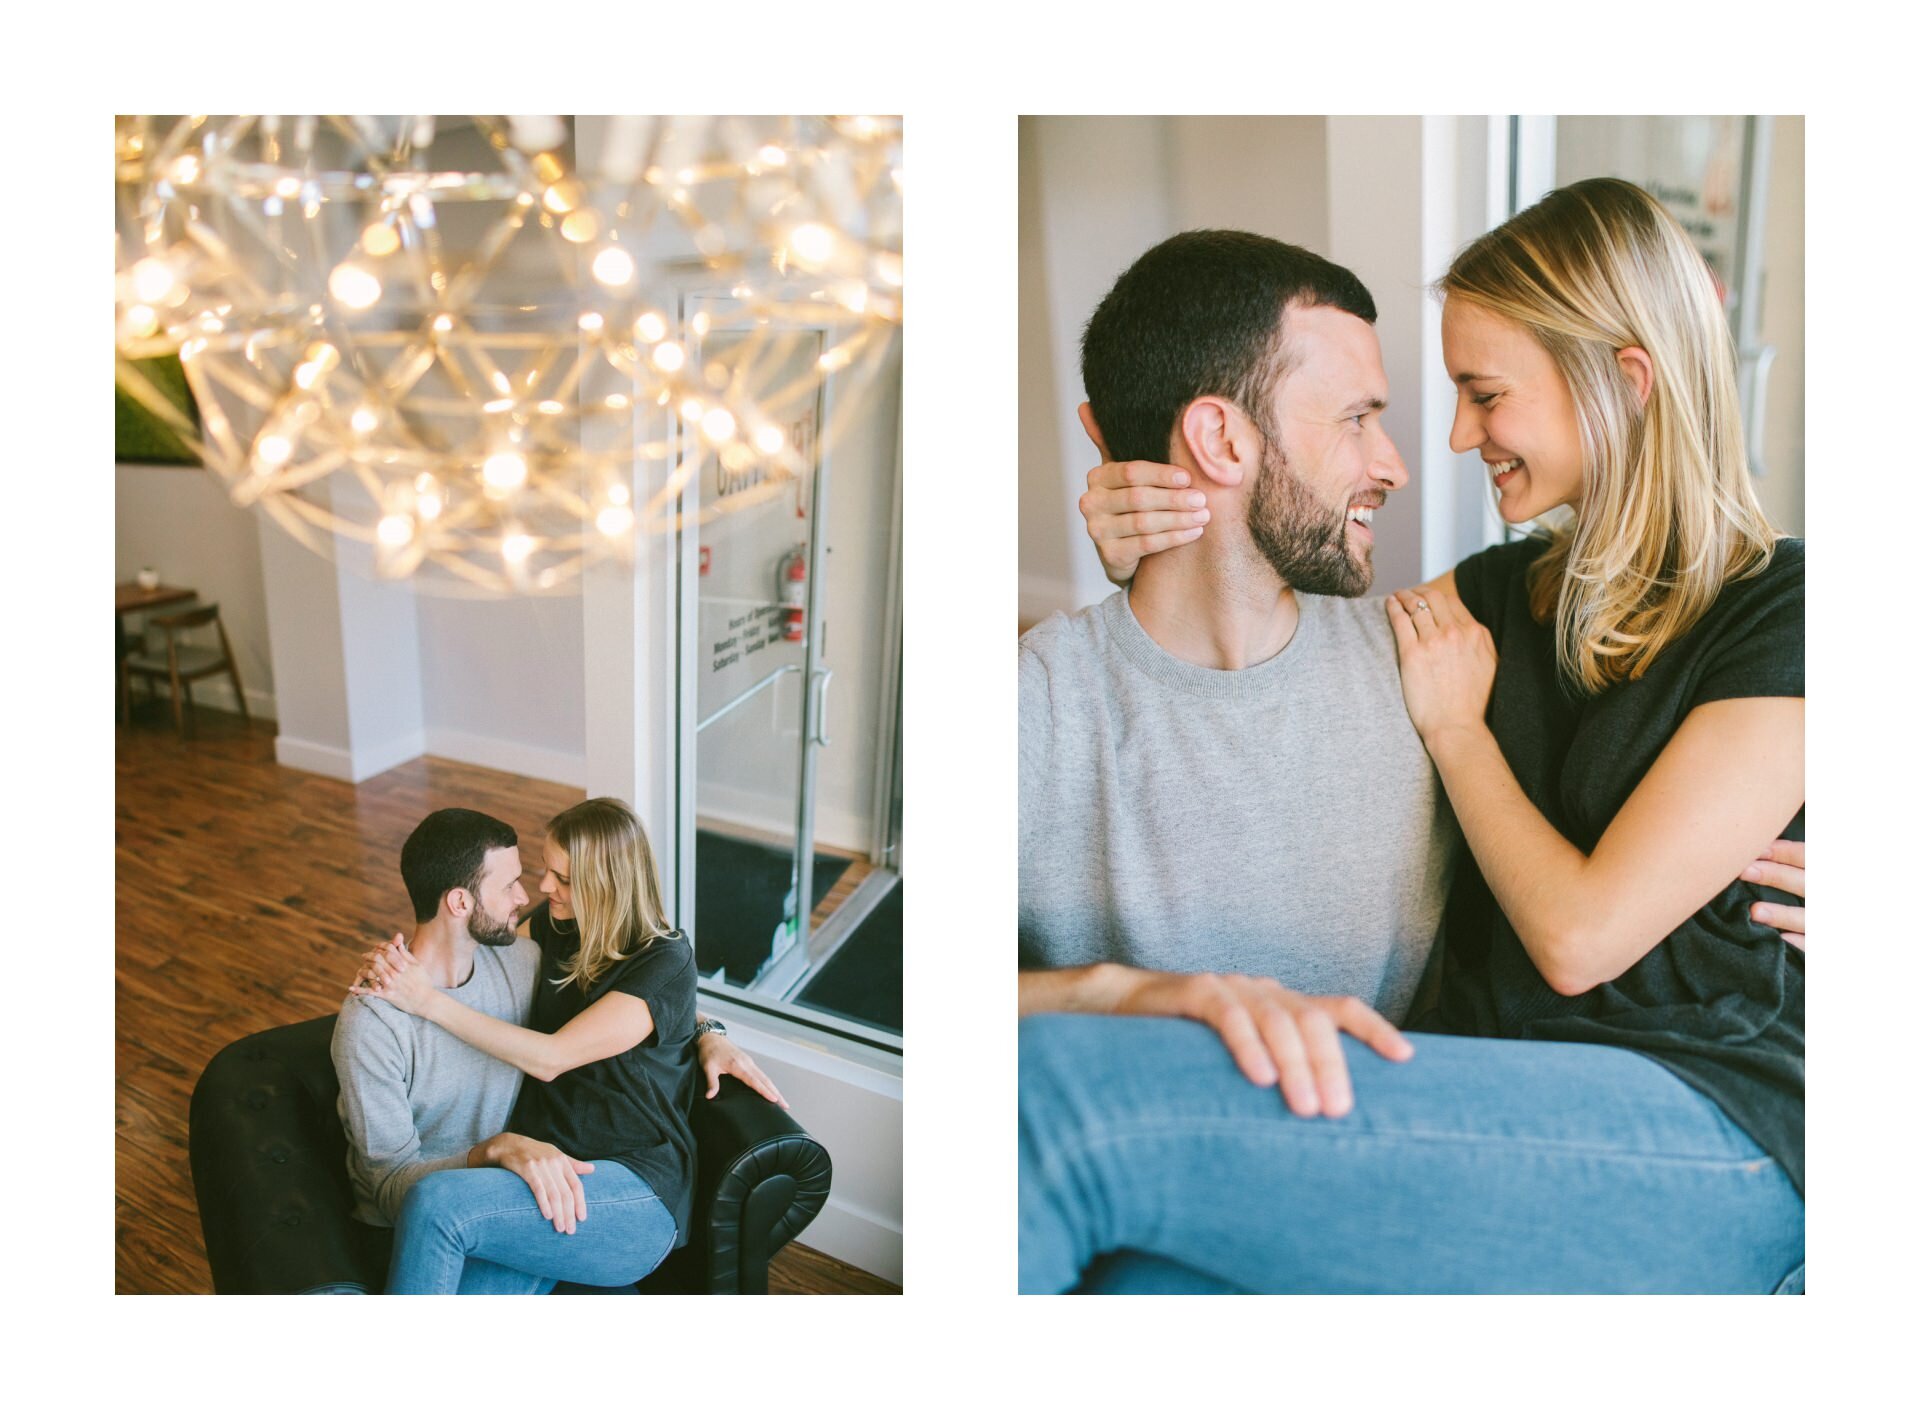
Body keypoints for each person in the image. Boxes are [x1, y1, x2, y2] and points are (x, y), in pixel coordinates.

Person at [1020, 187, 1804, 1293]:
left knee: (1058, 1109)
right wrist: (1152, 527)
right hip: (1470, 1097)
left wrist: (1457, 732)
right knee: (1142, 1291)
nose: (1447, 440)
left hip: (1707, 1112)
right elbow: (1254, 606)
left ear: (1625, 383)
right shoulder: (1487, 600)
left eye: (1485, 395)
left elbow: (1580, 939)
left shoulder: (1782, 607)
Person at [336, 800, 782, 1294]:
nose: (541, 889)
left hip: (630, 1181)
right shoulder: (552, 932)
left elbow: (560, 1052)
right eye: (539, 873)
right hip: (540, 1178)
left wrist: (425, 1002)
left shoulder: (662, 960)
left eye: (562, 878)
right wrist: (704, 1028)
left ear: (604, 884)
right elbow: (479, 950)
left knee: (437, 1204)